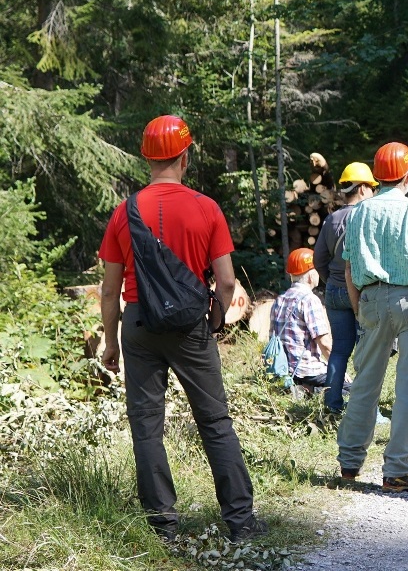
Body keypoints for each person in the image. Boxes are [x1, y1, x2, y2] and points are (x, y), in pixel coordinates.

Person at [99, 115, 264, 543]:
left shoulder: (124, 212)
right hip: (191, 324)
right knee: (214, 421)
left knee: (147, 425)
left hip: (138, 322)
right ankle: (240, 522)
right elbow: (226, 281)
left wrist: (109, 341)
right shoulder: (205, 207)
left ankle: (162, 526)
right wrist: (215, 316)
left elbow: (109, 289)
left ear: (146, 157)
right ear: (185, 156)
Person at [337, 142, 408, 493]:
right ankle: (397, 471)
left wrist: (359, 307)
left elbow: (349, 268)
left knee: (364, 385)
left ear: (376, 177)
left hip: (371, 298)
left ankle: (350, 463)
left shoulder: (357, 213)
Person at [314, 161, 378, 414]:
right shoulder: (368, 217)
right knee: (367, 354)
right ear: (362, 188)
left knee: (339, 351)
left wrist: (332, 282)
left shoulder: (331, 219)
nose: (374, 192)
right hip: (362, 294)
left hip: (335, 292)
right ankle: (367, 410)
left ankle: (331, 405)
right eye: (372, 187)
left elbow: (318, 259)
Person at [271, 248, 332, 391]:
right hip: (307, 370)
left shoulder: (279, 300)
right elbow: (324, 343)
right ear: (311, 275)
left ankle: (303, 388)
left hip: (283, 369)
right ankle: (310, 389)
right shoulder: (310, 300)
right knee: (353, 389)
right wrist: (339, 370)